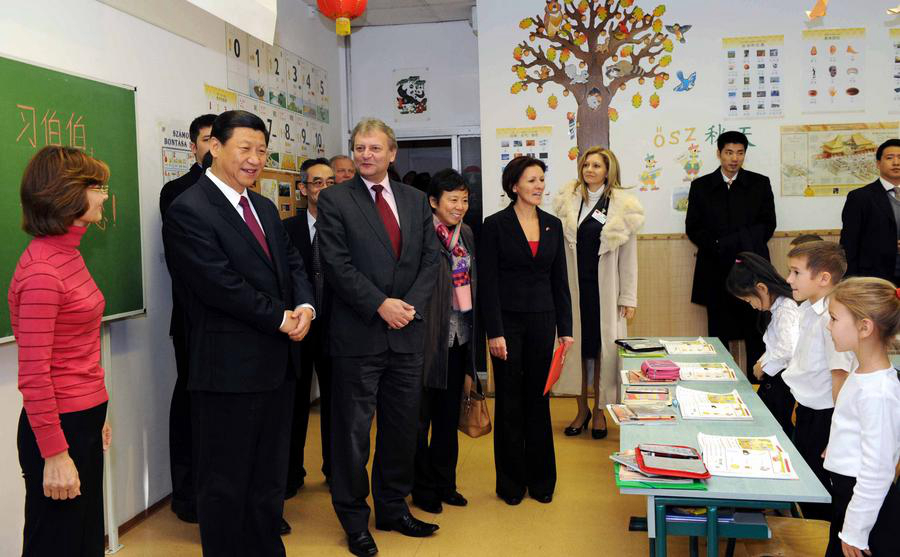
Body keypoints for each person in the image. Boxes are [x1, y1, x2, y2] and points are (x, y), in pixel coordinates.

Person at [162, 110, 315, 556]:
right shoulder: (188, 209)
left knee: (268, 480)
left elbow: (292, 263)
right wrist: (280, 318)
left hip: (277, 369)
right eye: (245, 148)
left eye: (261, 150)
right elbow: (219, 284)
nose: (255, 159)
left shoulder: (263, 207)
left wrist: (305, 306)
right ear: (215, 147)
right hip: (227, 374)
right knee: (225, 485)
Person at [317, 118, 440, 557]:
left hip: (406, 335)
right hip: (358, 337)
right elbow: (336, 264)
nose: (365, 154)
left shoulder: (414, 199)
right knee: (352, 436)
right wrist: (380, 305)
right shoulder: (335, 199)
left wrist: (407, 307)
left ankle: (392, 508)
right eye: (359, 147)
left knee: (401, 430)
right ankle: (354, 519)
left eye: (374, 148)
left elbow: (431, 260)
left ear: (392, 153)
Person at [9, 146, 113, 556]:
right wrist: (55, 453)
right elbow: (35, 375)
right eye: (96, 187)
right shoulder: (42, 271)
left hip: (81, 420)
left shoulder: (66, 251)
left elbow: (76, 346)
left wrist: (97, 412)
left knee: (85, 541)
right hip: (58, 430)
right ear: (67, 193)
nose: (104, 196)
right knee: (56, 544)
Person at [480, 156, 573, 506]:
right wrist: (494, 331)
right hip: (507, 323)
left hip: (542, 320)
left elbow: (559, 280)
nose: (539, 186)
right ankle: (510, 483)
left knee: (538, 399)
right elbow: (488, 283)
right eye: (531, 180)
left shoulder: (552, 224)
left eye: (541, 180)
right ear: (514, 185)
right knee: (509, 401)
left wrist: (565, 328)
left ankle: (542, 480)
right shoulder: (495, 225)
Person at [553, 147, 643, 439]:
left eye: (596, 166)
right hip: (573, 290)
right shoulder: (568, 202)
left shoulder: (622, 207)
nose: (589, 170)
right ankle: (582, 410)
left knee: (604, 351)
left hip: (605, 290)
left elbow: (628, 259)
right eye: (586, 165)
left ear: (608, 171)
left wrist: (628, 297)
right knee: (576, 350)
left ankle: (601, 411)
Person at [158, 112, 216, 524]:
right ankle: (188, 494)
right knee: (191, 405)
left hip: (237, 327)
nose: (214, 147)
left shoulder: (246, 194)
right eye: (208, 140)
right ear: (194, 146)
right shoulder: (179, 192)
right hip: (194, 321)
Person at [686, 130, 775, 381]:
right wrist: (718, 244)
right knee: (718, 333)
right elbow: (693, 227)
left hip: (751, 270)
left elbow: (768, 225)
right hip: (716, 269)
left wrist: (736, 241)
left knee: (756, 332)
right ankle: (721, 384)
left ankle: (758, 387)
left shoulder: (760, 183)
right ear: (719, 154)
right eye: (729, 152)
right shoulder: (701, 186)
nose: (734, 158)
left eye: (740, 153)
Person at [412, 169, 476, 514]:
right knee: (420, 419)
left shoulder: (466, 233)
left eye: (464, 200)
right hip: (426, 340)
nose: (460, 207)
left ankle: (445, 483)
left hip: (458, 336)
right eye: (453, 200)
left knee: (448, 418)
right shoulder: (421, 234)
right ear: (434, 202)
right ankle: (422, 488)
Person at [824, 277, 900, 557]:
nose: (828, 326)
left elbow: (878, 469)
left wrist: (856, 530)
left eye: (834, 319)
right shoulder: (862, 372)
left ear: (865, 327)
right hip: (848, 495)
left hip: (864, 508)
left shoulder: (878, 391)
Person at [783, 241, 855, 521]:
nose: (789, 279)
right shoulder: (808, 310)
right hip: (809, 411)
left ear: (823, 278)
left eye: (796, 272)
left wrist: (838, 433)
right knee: (807, 485)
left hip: (827, 418)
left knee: (820, 494)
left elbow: (840, 378)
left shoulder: (832, 319)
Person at [283, 157, 336, 492]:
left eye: (331, 182)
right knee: (295, 404)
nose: (324, 188)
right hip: (298, 329)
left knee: (336, 405)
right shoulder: (286, 229)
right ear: (303, 188)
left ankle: (335, 470)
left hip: (336, 329)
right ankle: (291, 473)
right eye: (317, 182)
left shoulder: (345, 229)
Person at [726, 252, 799, 437]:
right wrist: (762, 361)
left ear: (762, 288)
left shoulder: (786, 309)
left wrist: (763, 366)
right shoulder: (778, 307)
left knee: (775, 429)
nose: (752, 306)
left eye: (749, 300)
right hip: (776, 379)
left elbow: (787, 350)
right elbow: (775, 345)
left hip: (783, 384)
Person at [840, 138, 900, 285]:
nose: (896, 162)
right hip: (874, 277)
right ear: (878, 164)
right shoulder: (860, 197)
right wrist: (851, 281)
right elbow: (849, 243)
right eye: (889, 157)